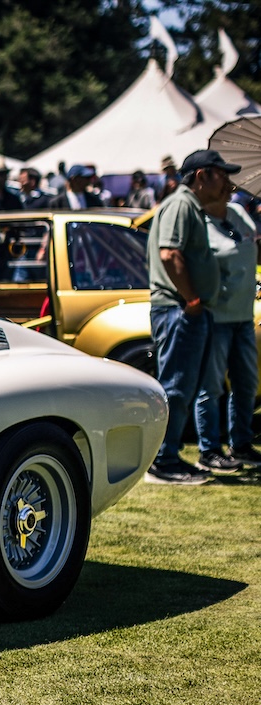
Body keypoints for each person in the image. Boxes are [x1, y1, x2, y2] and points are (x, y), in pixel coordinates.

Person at [143, 149, 236, 485]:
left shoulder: (189, 206)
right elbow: (170, 254)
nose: (227, 181)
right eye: (221, 175)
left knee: (183, 388)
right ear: (201, 176)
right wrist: (192, 299)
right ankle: (163, 461)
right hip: (178, 311)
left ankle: (170, 456)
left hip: (183, 311)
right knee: (176, 389)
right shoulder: (181, 205)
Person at [192, 170, 260, 473]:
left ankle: (241, 444)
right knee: (211, 386)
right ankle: (208, 450)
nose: (231, 186)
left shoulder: (238, 213)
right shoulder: (198, 222)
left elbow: (250, 248)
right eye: (225, 181)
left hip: (244, 316)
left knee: (246, 384)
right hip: (215, 318)